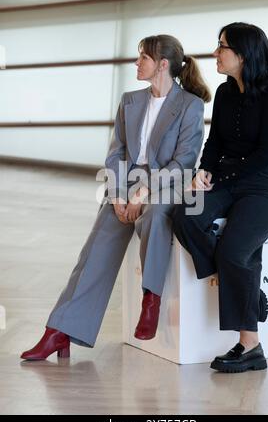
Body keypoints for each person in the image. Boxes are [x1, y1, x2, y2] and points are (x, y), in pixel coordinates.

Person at [21, 34, 211, 360]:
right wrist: (120, 195)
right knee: (94, 250)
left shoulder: (190, 105)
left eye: (143, 58)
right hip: (126, 188)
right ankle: (59, 331)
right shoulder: (129, 101)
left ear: (162, 64)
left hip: (165, 187)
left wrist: (144, 192)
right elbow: (116, 155)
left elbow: (183, 163)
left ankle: (150, 300)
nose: (137, 63)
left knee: (154, 215)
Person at [173, 22, 268, 373]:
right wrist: (204, 170)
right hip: (224, 178)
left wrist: (220, 174)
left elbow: (266, 154)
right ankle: (242, 288)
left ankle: (250, 346)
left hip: (264, 185)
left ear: (243, 54)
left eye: (222, 46)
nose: (215, 53)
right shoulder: (224, 93)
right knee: (184, 215)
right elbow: (216, 142)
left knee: (236, 250)